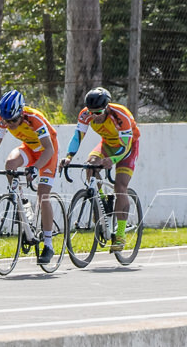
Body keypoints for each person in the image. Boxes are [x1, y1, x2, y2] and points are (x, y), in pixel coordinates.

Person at [0, 90, 60, 265]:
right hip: (30, 149)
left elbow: (49, 149)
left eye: (13, 121)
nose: (9, 124)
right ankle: (23, 203)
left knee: (43, 194)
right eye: (6, 121)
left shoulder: (34, 119)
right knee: (10, 164)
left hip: (47, 153)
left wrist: (35, 169)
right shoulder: (4, 119)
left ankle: (48, 244)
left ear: (21, 113)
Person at [60, 87, 141, 252]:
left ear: (107, 107)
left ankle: (119, 235)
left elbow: (125, 146)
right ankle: (102, 200)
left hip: (127, 147)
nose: (94, 116)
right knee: (90, 164)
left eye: (98, 113)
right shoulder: (85, 114)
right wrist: (68, 157)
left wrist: (113, 160)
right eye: (91, 112)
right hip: (107, 144)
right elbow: (77, 137)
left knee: (120, 187)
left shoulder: (120, 115)